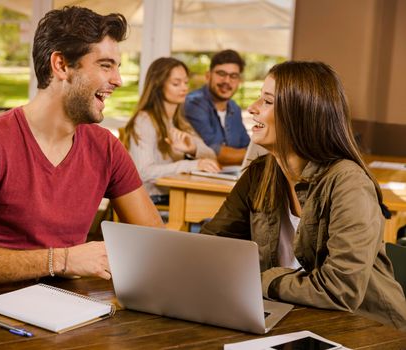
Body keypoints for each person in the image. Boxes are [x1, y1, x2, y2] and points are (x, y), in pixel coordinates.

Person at [0, 6, 163, 288]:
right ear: (61, 66)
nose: (118, 80)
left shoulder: (107, 148)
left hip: (68, 312)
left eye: (117, 66)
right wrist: (61, 260)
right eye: (105, 65)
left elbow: (156, 244)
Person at [201, 61, 406, 329]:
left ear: (300, 114)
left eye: (267, 101)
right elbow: (209, 249)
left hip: (367, 330)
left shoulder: (348, 182)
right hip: (289, 321)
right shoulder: (259, 174)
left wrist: (258, 280)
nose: (252, 108)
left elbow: (339, 290)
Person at [123, 57, 220, 204]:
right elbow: (143, 173)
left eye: (186, 82)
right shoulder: (144, 121)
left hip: (174, 198)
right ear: (158, 85)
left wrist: (193, 148)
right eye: (176, 83)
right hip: (152, 202)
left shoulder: (179, 122)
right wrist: (191, 164)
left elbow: (211, 157)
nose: (184, 88)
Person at [185, 49, 250, 165]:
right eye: (221, 74)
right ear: (208, 76)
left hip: (228, 177)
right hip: (197, 179)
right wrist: (254, 155)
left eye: (233, 76)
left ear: (239, 81)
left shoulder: (234, 108)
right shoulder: (194, 103)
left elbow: (247, 145)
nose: (227, 81)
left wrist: (249, 153)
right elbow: (213, 151)